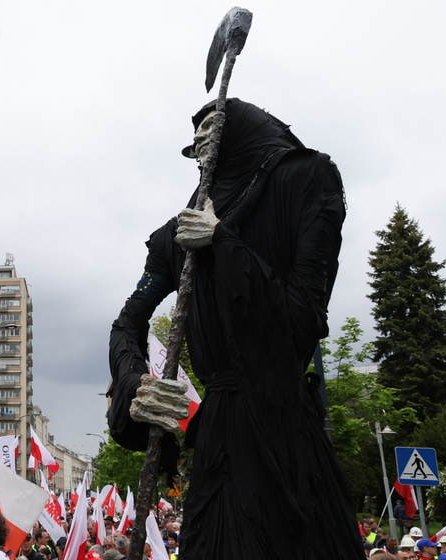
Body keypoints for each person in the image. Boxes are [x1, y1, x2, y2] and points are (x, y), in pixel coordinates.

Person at [107, 98, 362, 559]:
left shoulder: (306, 180)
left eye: (212, 125)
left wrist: (223, 241)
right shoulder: (172, 237)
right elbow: (128, 322)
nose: (200, 139)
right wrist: (135, 384)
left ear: (244, 128)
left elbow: (302, 317)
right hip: (219, 441)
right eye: (194, 135)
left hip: (286, 431)